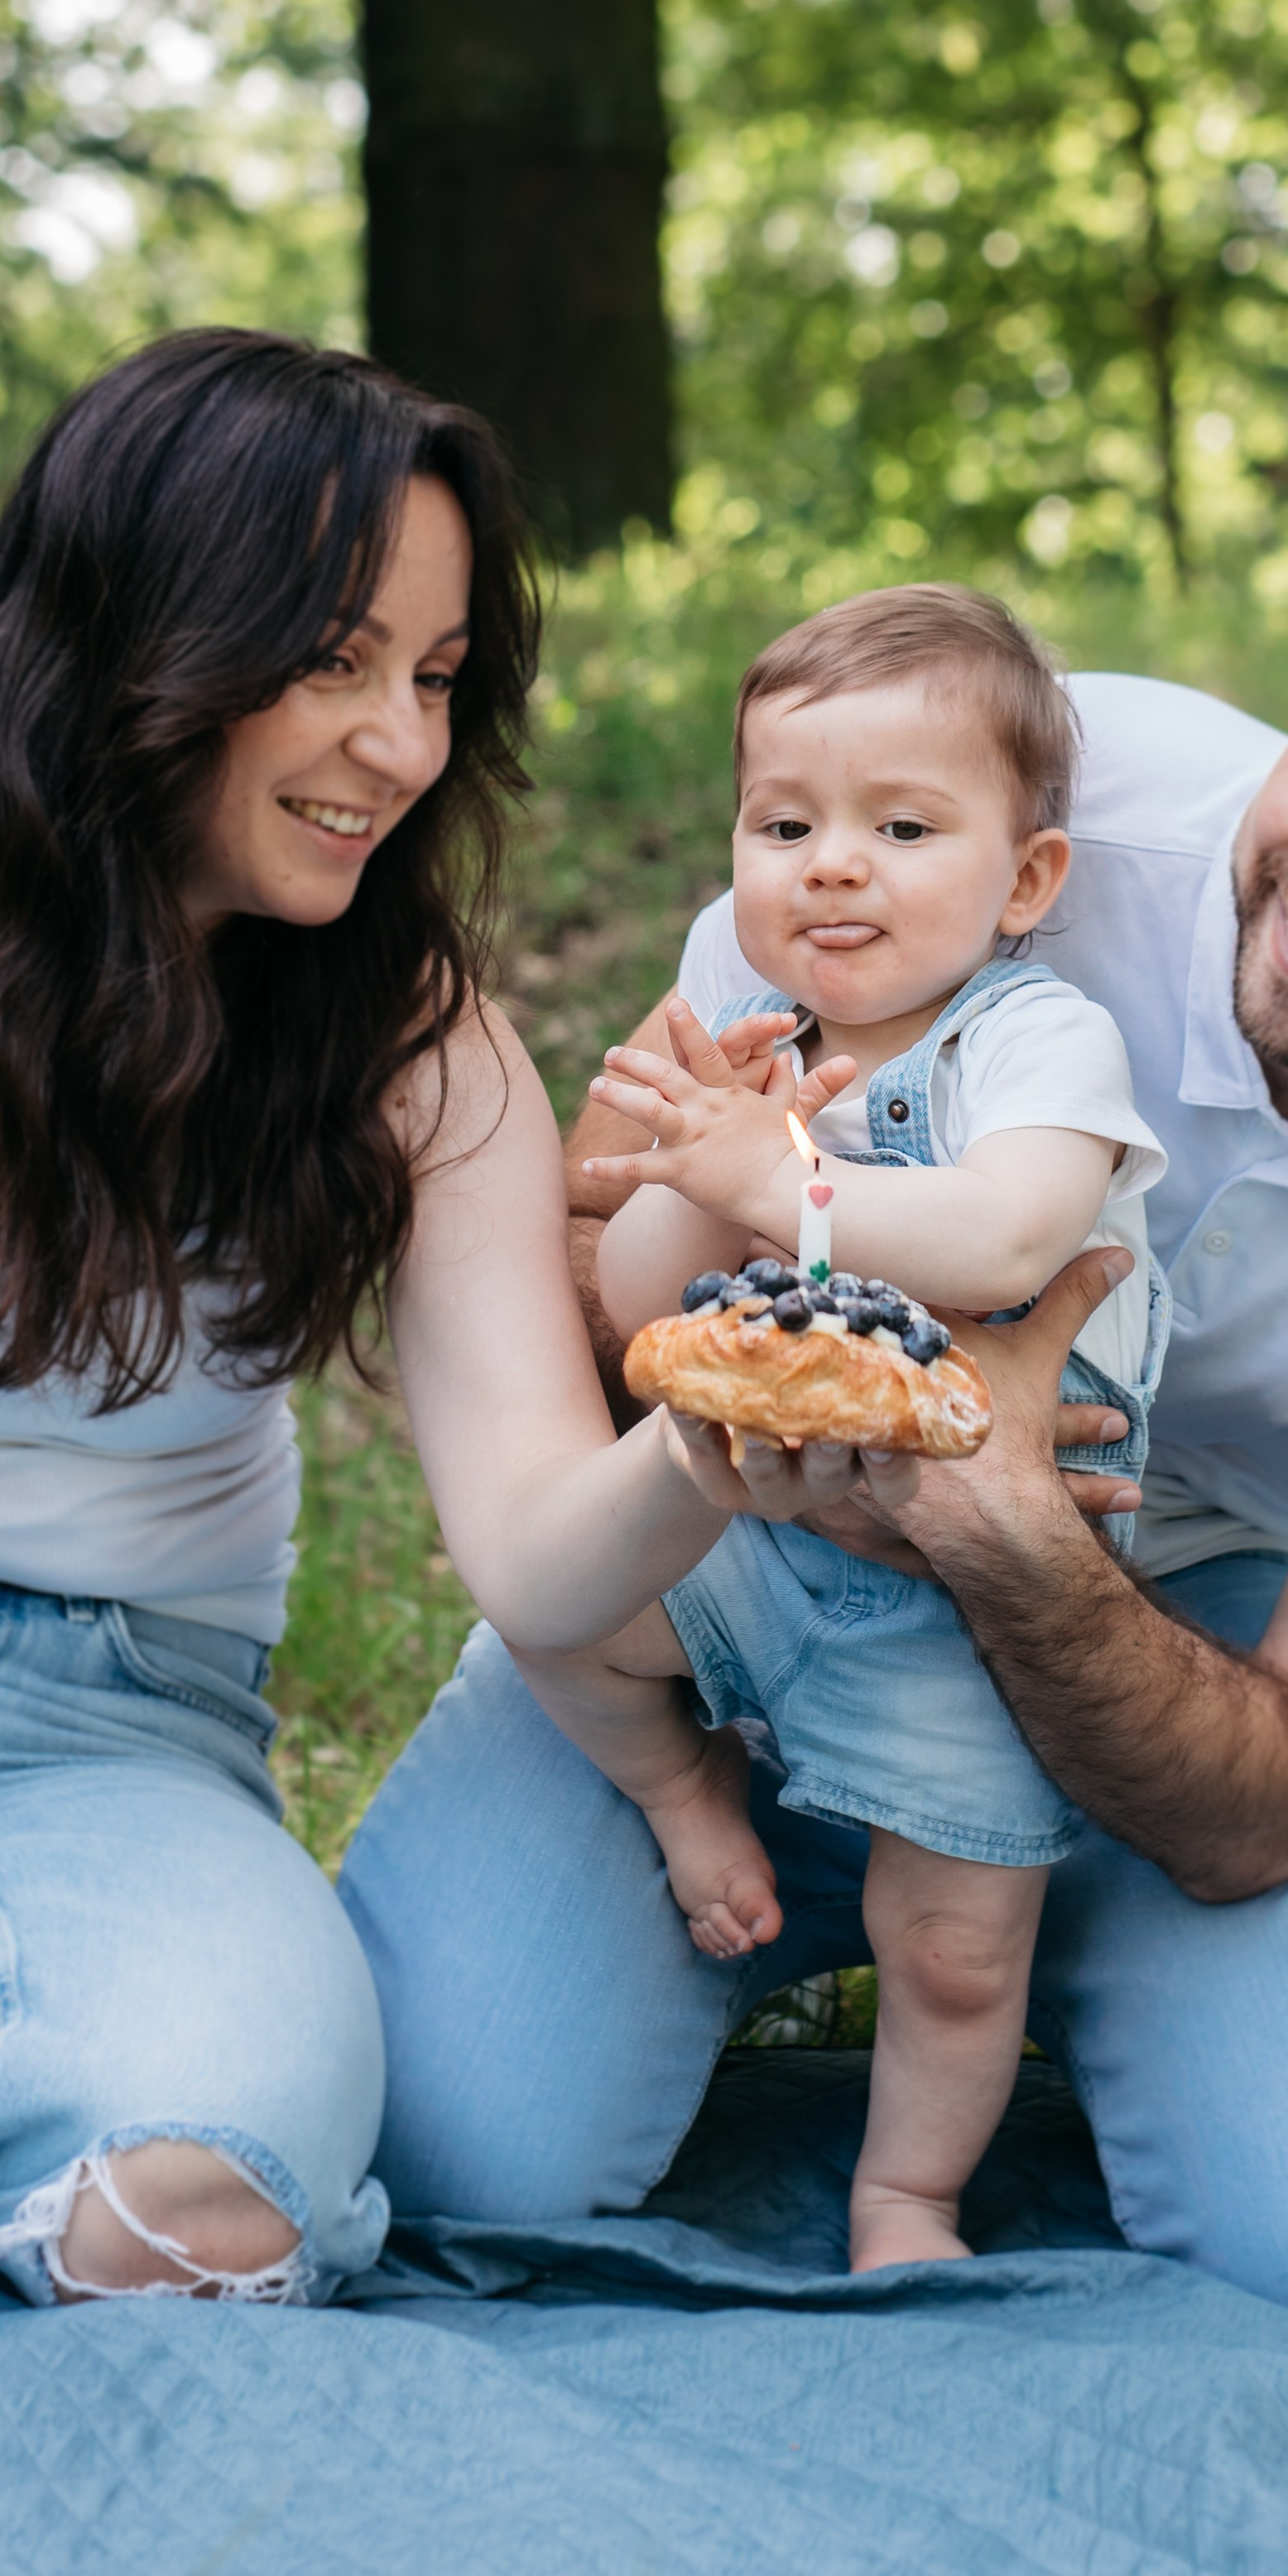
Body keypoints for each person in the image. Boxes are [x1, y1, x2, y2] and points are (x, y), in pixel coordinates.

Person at [340, 454, 1288, 2352]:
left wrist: (1001, 1512)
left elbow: (1286, 1775)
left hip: (1184, 1650)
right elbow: (609, 1261)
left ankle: (1087, 1949)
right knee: (445, 2138)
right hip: (766, 1569)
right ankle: (832, 1880)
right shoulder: (965, 795)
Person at [0, 327, 786, 2306]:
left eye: (434, 677)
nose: (399, 747)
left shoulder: (423, 1057)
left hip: (98, 1743)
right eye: (332, 660)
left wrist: (706, 1441)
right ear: (135, 638)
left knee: (219, 2204)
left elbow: (539, 1553)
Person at [501, 588, 1167, 2272]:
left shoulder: (1034, 1042)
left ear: (1023, 881)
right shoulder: (760, 1056)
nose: (831, 864)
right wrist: (695, 1166)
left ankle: (905, 2195)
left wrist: (780, 1181)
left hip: (970, 1603)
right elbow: (651, 1309)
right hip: (758, 1536)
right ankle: (678, 1788)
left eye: (899, 825)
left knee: (948, 1941)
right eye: (783, 822)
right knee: (554, 1611)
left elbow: (1012, 1237)